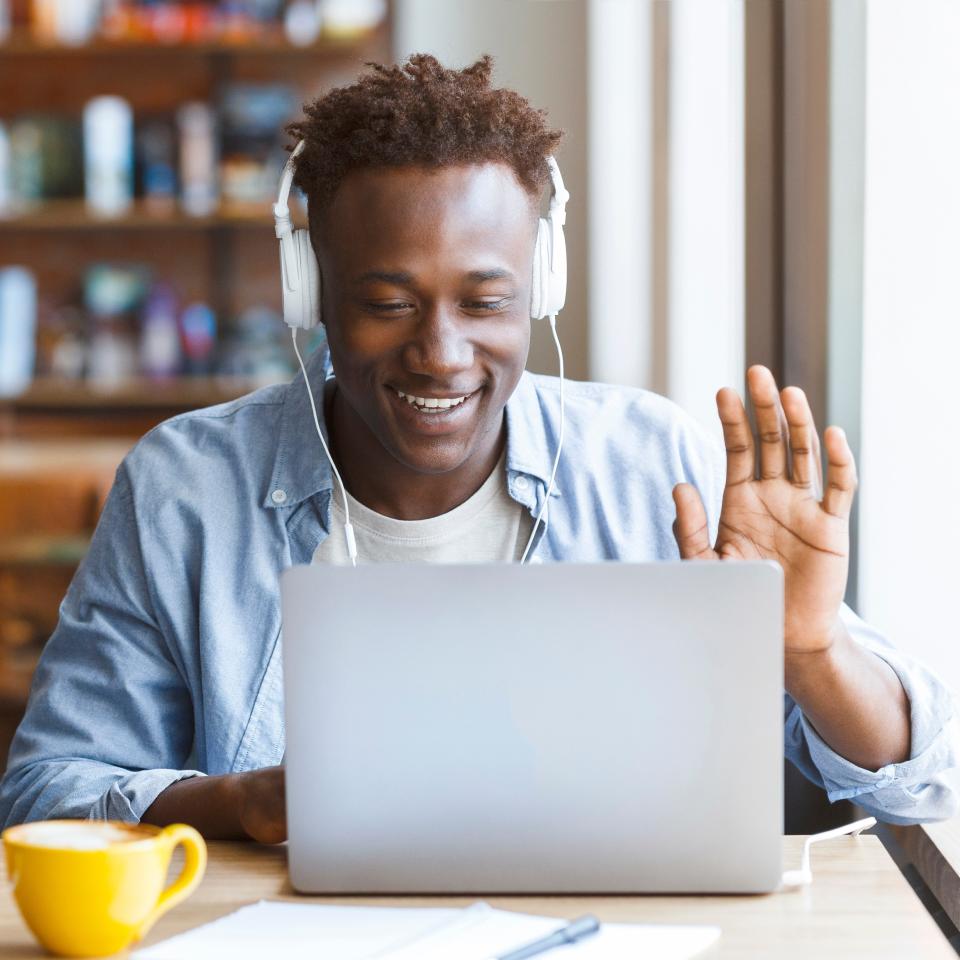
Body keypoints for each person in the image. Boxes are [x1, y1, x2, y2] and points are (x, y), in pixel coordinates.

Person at [0, 55, 955, 842]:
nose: (441, 352)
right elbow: (44, 790)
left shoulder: (650, 465)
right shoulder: (187, 487)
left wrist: (814, 653)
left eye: (486, 301)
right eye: (387, 303)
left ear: (542, 285)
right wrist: (236, 804)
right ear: (310, 293)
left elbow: (920, 785)